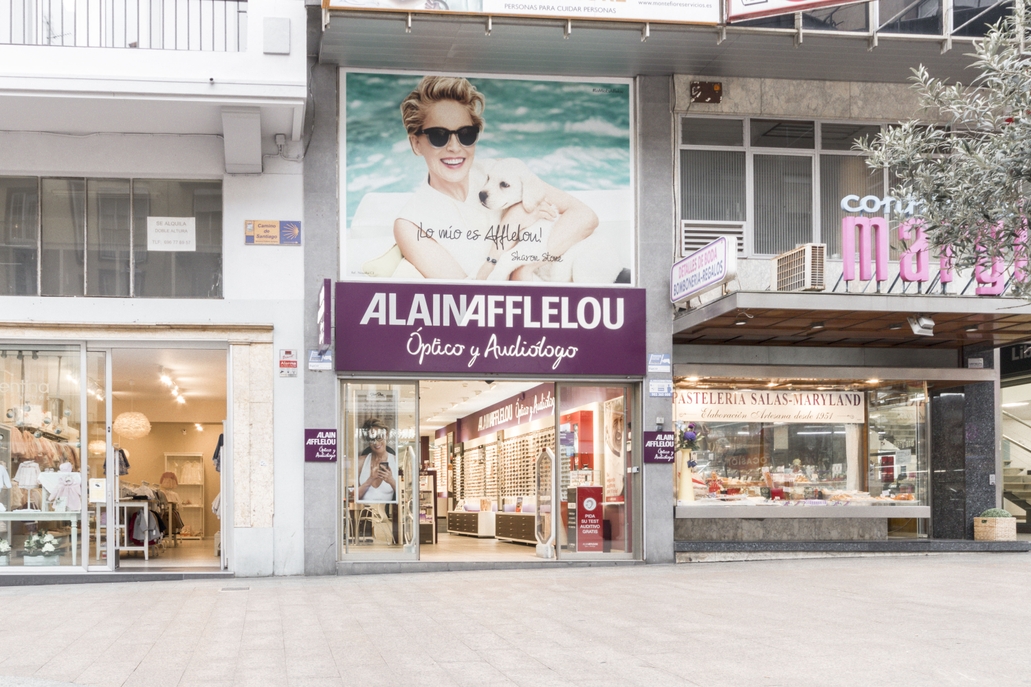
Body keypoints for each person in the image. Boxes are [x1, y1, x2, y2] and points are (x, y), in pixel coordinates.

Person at [392, 75, 598, 280]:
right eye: (438, 136)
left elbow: (585, 215)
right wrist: (509, 230)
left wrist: (525, 267)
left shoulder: (496, 171)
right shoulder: (411, 224)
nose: (454, 147)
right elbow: (468, 295)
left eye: (466, 134)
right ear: (416, 144)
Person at [357, 418, 397, 503]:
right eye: (372, 439)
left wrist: (391, 481)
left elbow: (405, 496)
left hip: (387, 510)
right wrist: (370, 479)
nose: (376, 443)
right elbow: (352, 496)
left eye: (379, 437)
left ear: (386, 435)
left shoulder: (395, 461)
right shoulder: (360, 461)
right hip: (363, 509)